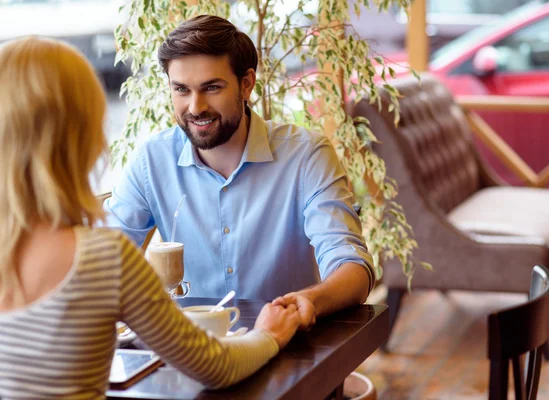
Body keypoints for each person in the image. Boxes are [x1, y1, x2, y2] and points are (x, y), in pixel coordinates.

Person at [0, 36, 301, 399]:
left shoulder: (303, 152)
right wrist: (269, 335)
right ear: (82, 137)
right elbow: (215, 366)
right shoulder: (104, 258)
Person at [104, 15, 375, 331]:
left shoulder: (306, 155)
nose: (195, 107)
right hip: (189, 353)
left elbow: (352, 268)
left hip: (284, 347)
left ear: (246, 84)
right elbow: (105, 261)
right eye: (181, 89)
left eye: (212, 87)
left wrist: (309, 301)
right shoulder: (152, 160)